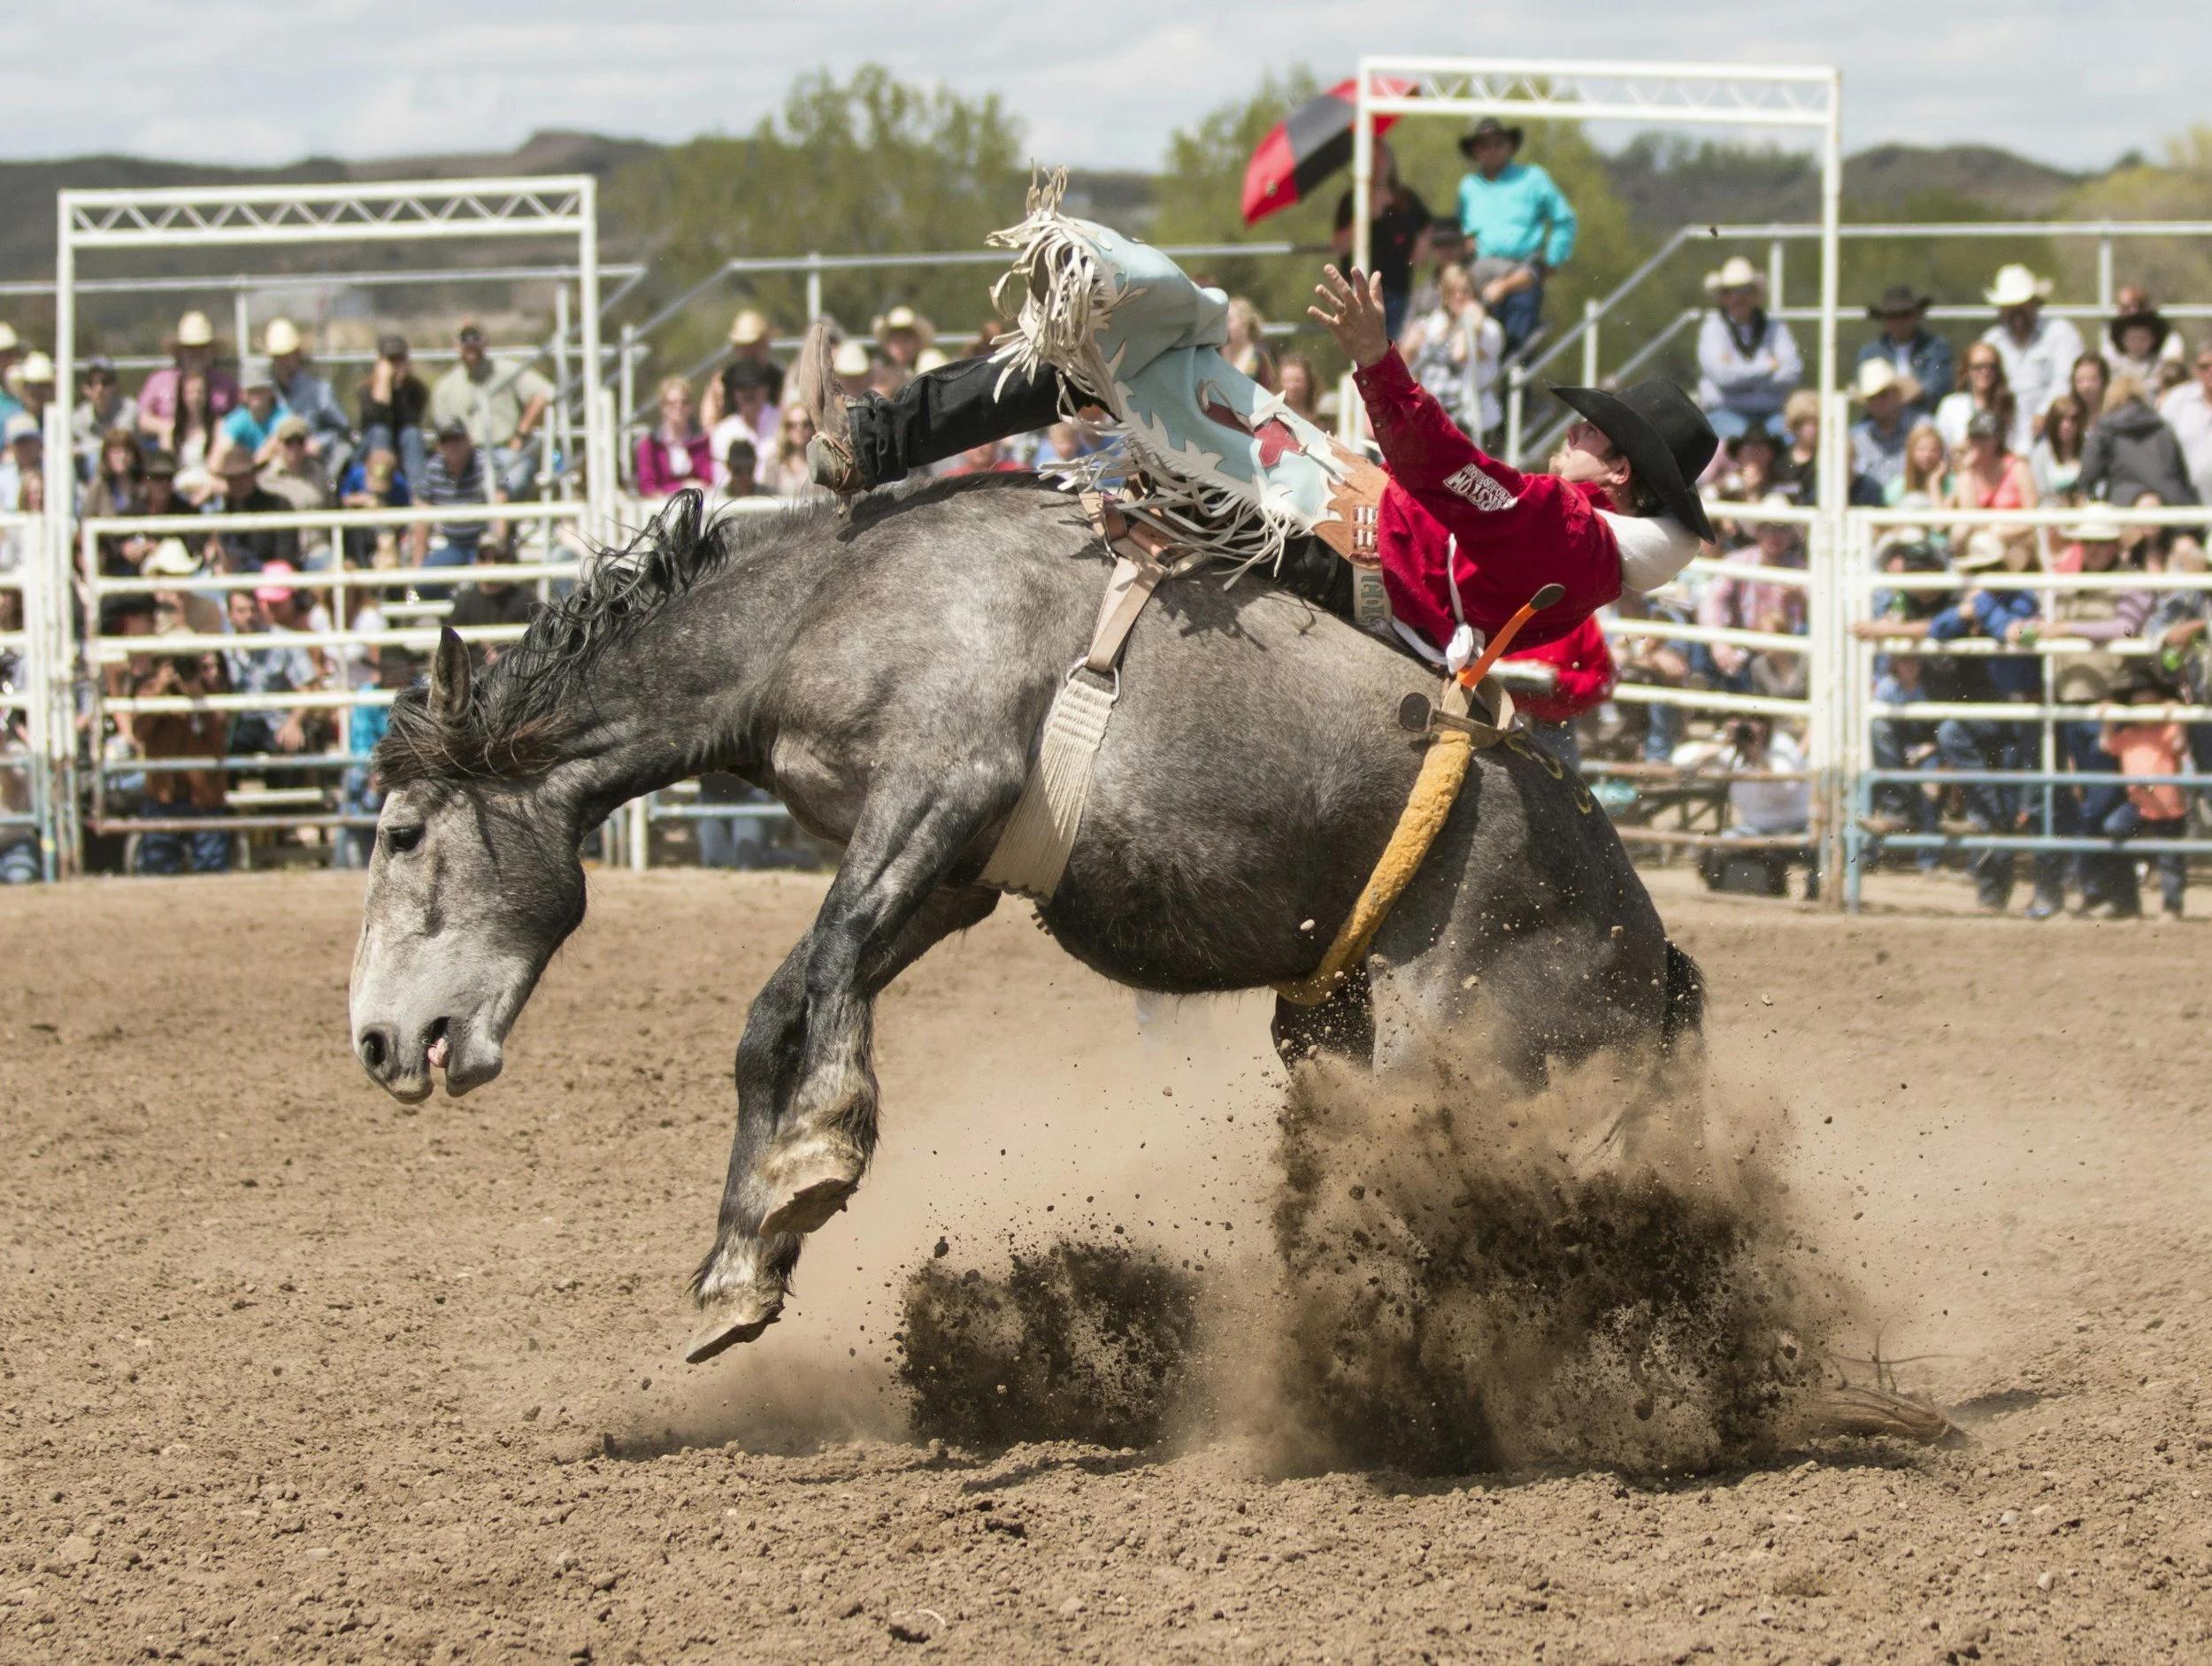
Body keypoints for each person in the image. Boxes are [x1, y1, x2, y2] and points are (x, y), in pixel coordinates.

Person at [802, 224, 1717, 671]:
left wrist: (1375, 361)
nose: (1574, 432)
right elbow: (1451, 490)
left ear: (1622, 469)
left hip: (1334, 545)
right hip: (1340, 522)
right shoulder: (1590, 555)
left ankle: (877, 443)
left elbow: (1449, 476)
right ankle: (882, 444)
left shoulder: (1573, 534)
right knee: (1113, 377)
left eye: (1592, 430)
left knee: (1105, 369)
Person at [1454, 117, 1575, 355]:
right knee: (1478, 342)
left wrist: (1552, 260)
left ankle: (1516, 385)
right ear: (1475, 150)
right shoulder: (1468, 187)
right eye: (1483, 144)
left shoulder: (1533, 178)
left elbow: (1564, 220)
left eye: (1498, 143)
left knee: (1518, 346)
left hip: (1521, 271)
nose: (1491, 150)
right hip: (1479, 273)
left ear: (1509, 146)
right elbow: (1459, 228)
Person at [2100, 664, 2192, 918]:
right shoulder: (2128, 734)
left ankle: (2172, 906)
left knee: (2170, 858)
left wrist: (2178, 716)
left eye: (2152, 705)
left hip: (2167, 806)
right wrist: (2108, 720)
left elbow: (2180, 743)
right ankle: (2127, 902)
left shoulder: (2168, 730)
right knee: (2114, 828)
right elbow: (2106, 745)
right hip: (2139, 803)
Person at [428, 319, 551, 497]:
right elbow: (441, 430)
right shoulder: (445, 386)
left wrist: (521, 434)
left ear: (485, 342)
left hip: (506, 451)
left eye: (475, 338)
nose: (471, 344)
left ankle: (504, 522)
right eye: (465, 339)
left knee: (508, 484)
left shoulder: (507, 371)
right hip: (465, 459)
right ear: (456, 345)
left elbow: (543, 394)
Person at [1332, 139, 1432, 342]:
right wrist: (1365, 216)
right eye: (1371, 158)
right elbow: (1340, 244)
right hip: (1361, 292)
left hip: (1398, 289)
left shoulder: (1405, 199)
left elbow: (1428, 225)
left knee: (1394, 349)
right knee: (1367, 349)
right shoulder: (1352, 200)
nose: (1378, 163)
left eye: (1382, 156)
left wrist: (1421, 246)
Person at [1696, 256, 1801, 441]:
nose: (1739, 298)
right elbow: (1722, 377)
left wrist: (1739, 375)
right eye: (1732, 291)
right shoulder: (1712, 328)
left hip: (1771, 416)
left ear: (1754, 293)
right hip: (1726, 415)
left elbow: (1793, 371)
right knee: (1738, 443)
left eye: (1745, 290)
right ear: (1723, 296)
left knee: (1793, 439)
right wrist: (1769, 367)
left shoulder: (1775, 326)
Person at [1980, 264, 2084, 453]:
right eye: (2010, 306)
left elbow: (2065, 379)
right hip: (2004, 434)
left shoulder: (2060, 332)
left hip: (2052, 434)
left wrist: (2045, 412)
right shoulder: (1992, 341)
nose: (2016, 311)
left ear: (2036, 303)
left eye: (2022, 304)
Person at [1402, 263, 1502, 439]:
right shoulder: (1435, 322)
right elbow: (1409, 360)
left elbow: (1460, 353)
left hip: (1470, 418)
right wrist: (1410, 350)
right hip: (1434, 415)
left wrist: (1473, 322)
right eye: (1452, 291)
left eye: (1465, 291)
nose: (1459, 297)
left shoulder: (1490, 329)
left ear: (1474, 293)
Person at [1505, 613, 1616, 772]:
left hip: (1554, 730)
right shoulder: (1503, 608)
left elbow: (1604, 679)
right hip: (1500, 726)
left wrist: (1558, 681)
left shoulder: (1579, 615)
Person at [2081, 375, 2200, 514]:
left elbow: (2088, 475)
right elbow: (2180, 474)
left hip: (2124, 509)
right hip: (2170, 506)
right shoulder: (2163, 427)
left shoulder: (2104, 429)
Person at [136, 311, 239, 451]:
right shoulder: (159, 380)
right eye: (190, 348)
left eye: (202, 348)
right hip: (167, 451)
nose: (196, 353)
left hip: (215, 451)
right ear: (180, 351)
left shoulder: (225, 384)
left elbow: (241, 417)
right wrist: (166, 428)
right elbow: (142, 418)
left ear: (211, 351)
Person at [264, 318, 351, 482]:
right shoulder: (267, 393)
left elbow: (343, 431)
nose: (284, 362)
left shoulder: (320, 391)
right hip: (275, 466)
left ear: (298, 355)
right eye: (278, 357)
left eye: (287, 355)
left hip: (313, 465)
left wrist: (320, 442)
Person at [411, 418, 502, 570]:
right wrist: (416, 567)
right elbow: (423, 517)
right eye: (445, 441)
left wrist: (497, 548)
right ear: (438, 446)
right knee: (423, 585)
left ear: (468, 440)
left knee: (487, 577)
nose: (451, 446)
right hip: (453, 545)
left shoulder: (485, 464)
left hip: (483, 542)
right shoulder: (433, 468)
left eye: (456, 439)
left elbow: (501, 500)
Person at [1857, 285, 1954, 415]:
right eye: (1892, 316)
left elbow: (1937, 385)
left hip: (1924, 418)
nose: (1899, 321)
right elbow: (1861, 391)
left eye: (1905, 315)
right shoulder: (1870, 352)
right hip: (1882, 422)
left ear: (1916, 315)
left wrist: (1891, 391)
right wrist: (1906, 388)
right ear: (1884, 319)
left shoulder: (1935, 347)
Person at [359, 334, 431, 492]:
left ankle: (419, 493)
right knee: (380, 432)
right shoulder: (366, 390)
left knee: (412, 434)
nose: (396, 366)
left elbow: (410, 420)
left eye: (400, 360)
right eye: (391, 361)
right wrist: (383, 385)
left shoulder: (417, 390)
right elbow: (373, 420)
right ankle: (378, 493)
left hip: (403, 447)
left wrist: (398, 388)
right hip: (372, 450)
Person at [1847, 358, 1916, 503]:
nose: (1878, 401)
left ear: (1897, 395)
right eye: (1872, 397)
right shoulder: (1856, 437)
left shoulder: (1918, 431)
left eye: (1883, 394)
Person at [634, 375, 712, 497]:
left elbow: (708, 479)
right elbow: (647, 487)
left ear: (691, 406)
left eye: (684, 402)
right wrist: (682, 487)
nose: (679, 408)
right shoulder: (649, 444)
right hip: (661, 508)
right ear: (663, 407)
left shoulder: (703, 440)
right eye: (672, 403)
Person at [1935, 342, 2017, 458]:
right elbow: (1941, 447)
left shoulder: (2010, 403)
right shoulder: (1950, 406)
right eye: (1978, 367)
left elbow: (2019, 446)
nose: (1985, 372)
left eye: (1991, 367)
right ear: (1967, 371)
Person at [707, 358, 777, 488]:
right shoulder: (723, 432)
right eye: (743, 389)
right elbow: (721, 482)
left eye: (754, 388)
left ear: (766, 389)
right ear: (734, 394)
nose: (749, 394)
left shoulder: (783, 422)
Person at [336, 447, 411, 568]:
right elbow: (342, 501)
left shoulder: (400, 485)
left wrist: (381, 507)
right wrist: (359, 500)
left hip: (387, 530)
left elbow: (404, 518)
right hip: (359, 529)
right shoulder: (355, 475)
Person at [2160, 340, 2212, 510]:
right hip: (2185, 500)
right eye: (2205, 366)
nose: (2211, 371)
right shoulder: (2177, 400)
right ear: (2195, 370)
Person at [71, 357, 137, 481]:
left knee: (95, 460)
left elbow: (119, 443)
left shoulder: (128, 409)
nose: (99, 388)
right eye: (93, 383)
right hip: (90, 479)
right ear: (85, 389)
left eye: (105, 382)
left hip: (126, 473)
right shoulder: (78, 418)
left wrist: (82, 448)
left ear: (114, 386)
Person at [2108, 288, 2185, 387]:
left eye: (2143, 339)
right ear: (2122, 340)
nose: (2137, 344)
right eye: (2132, 339)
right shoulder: (2115, 367)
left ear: (2153, 339)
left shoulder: (2160, 366)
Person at [2031, 393, 2090, 506]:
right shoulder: (2041, 453)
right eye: (2061, 420)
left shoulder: (2088, 450)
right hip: (2050, 513)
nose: (2067, 425)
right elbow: (2039, 493)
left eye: (2073, 420)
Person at [1770, 389, 1822, 504]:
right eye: (1813, 423)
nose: (1818, 429)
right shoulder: (1779, 458)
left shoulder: (1824, 460)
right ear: (1797, 425)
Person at [1223, 297, 1278, 391]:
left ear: (1245, 323)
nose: (1224, 326)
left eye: (1229, 321)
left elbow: (1272, 392)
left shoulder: (1261, 356)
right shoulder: (1217, 352)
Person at [1276, 353, 1321, 424]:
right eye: (1286, 381)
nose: (1292, 386)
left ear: (1309, 382)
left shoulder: (1320, 419)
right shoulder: (1271, 417)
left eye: (1298, 381)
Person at [713, 439, 761, 503]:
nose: (745, 477)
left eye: (749, 470)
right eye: (738, 471)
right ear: (729, 466)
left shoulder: (769, 499)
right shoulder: (716, 500)